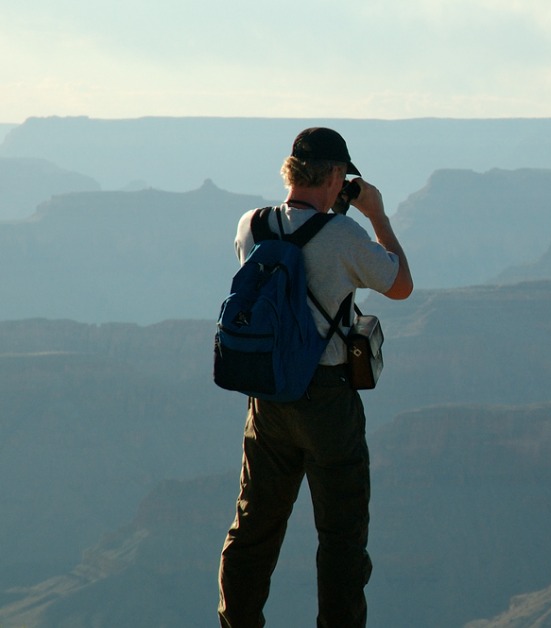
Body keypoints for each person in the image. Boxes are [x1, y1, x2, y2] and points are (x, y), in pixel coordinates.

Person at [218, 127, 413, 627]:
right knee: (342, 538)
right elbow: (400, 285)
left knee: (254, 526)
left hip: (267, 398)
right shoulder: (345, 236)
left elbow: (294, 255)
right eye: (343, 177)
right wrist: (377, 215)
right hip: (327, 399)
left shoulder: (250, 225)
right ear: (331, 174)